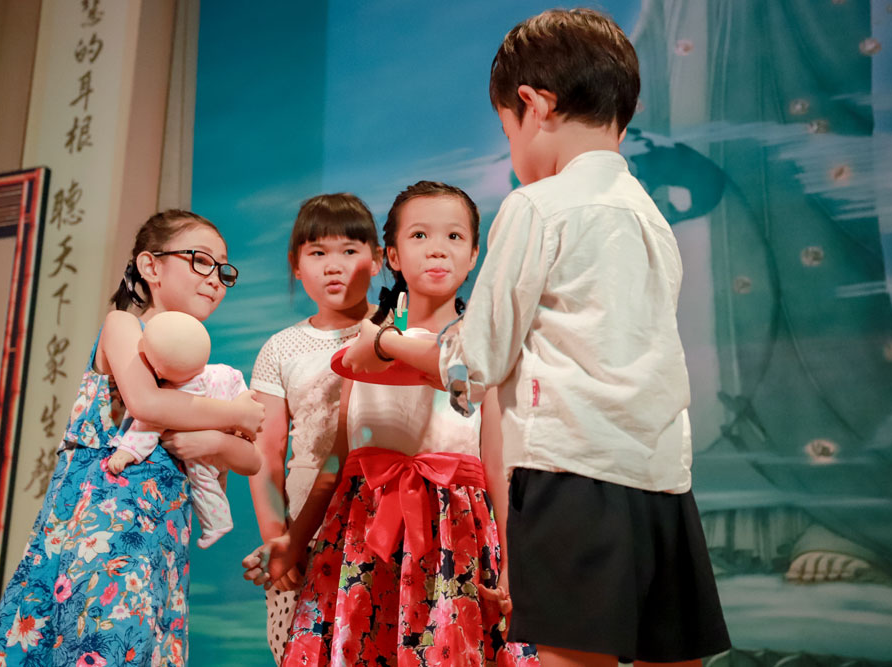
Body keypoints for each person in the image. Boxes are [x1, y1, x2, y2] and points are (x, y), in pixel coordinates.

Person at [341, 10, 732, 667]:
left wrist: (385, 346)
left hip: (571, 474)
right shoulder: (649, 216)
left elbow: (477, 359)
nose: (512, 149)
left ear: (533, 103)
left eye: (505, 128)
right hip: (663, 475)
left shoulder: (537, 205)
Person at [248, 182, 538, 666]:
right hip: (361, 543)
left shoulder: (482, 350)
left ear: (473, 257)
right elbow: (336, 465)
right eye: (420, 235)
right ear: (393, 256)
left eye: (455, 237)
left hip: (457, 539)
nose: (438, 249)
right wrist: (293, 541)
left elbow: (497, 470)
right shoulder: (360, 351)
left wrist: (512, 562)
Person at [0, 209, 264, 667]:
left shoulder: (213, 375)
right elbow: (147, 403)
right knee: (97, 636)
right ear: (150, 266)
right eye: (200, 260)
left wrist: (214, 441)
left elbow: (251, 459)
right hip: (105, 520)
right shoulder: (125, 326)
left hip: (163, 535)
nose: (215, 279)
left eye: (223, 269)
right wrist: (235, 413)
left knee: (140, 642)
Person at [246, 194, 382, 663]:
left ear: (379, 260)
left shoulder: (394, 333)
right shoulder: (281, 348)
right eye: (317, 253)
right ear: (296, 264)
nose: (333, 266)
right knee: (303, 645)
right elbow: (265, 451)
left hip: (380, 507)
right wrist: (277, 537)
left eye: (349, 250)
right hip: (304, 514)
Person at [107, 310, 253, 549]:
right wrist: (243, 415)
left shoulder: (173, 394)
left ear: (158, 372)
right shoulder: (224, 372)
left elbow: (147, 427)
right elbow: (240, 387)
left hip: (205, 451)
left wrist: (127, 452)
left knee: (202, 479)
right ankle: (220, 506)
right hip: (229, 440)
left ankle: (217, 523)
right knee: (217, 478)